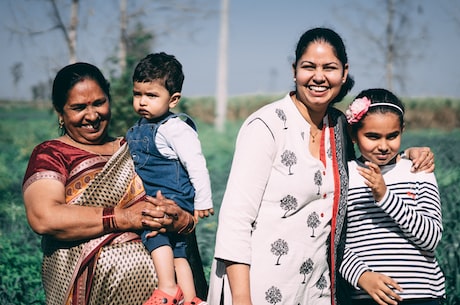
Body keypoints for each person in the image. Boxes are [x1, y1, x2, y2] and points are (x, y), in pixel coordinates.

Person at [207, 27, 435, 305]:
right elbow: (235, 220)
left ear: (344, 72)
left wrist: (410, 153)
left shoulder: (339, 126)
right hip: (258, 287)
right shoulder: (266, 126)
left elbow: (369, 162)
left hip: (315, 290)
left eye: (329, 67)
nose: (318, 77)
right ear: (294, 71)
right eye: (308, 67)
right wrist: (242, 299)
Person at [22, 62, 198, 305]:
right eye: (78, 107)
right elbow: (44, 217)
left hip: (165, 295)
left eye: (98, 103)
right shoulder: (52, 154)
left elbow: (182, 200)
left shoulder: (136, 147)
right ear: (60, 113)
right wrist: (125, 217)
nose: (92, 116)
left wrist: (180, 220)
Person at [339, 88, 445, 305]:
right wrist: (361, 276)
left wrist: (385, 196)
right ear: (353, 134)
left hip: (421, 296)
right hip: (366, 297)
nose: (384, 146)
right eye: (372, 136)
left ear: (402, 131)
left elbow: (431, 239)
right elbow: (333, 242)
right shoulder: (344, 177)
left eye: (392, 136)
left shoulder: (419, 171)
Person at [125, 52, 213, 305]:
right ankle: (191, 298)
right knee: (179, 251)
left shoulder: (175, 129)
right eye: (138, 94)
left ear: (173, 100)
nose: (142, 102)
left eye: (151, 96)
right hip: (162, 194)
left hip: (172, 196)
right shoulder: (141, 126)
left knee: (154, 233)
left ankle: (167, 288)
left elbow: (196, 164)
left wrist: (203, 200)